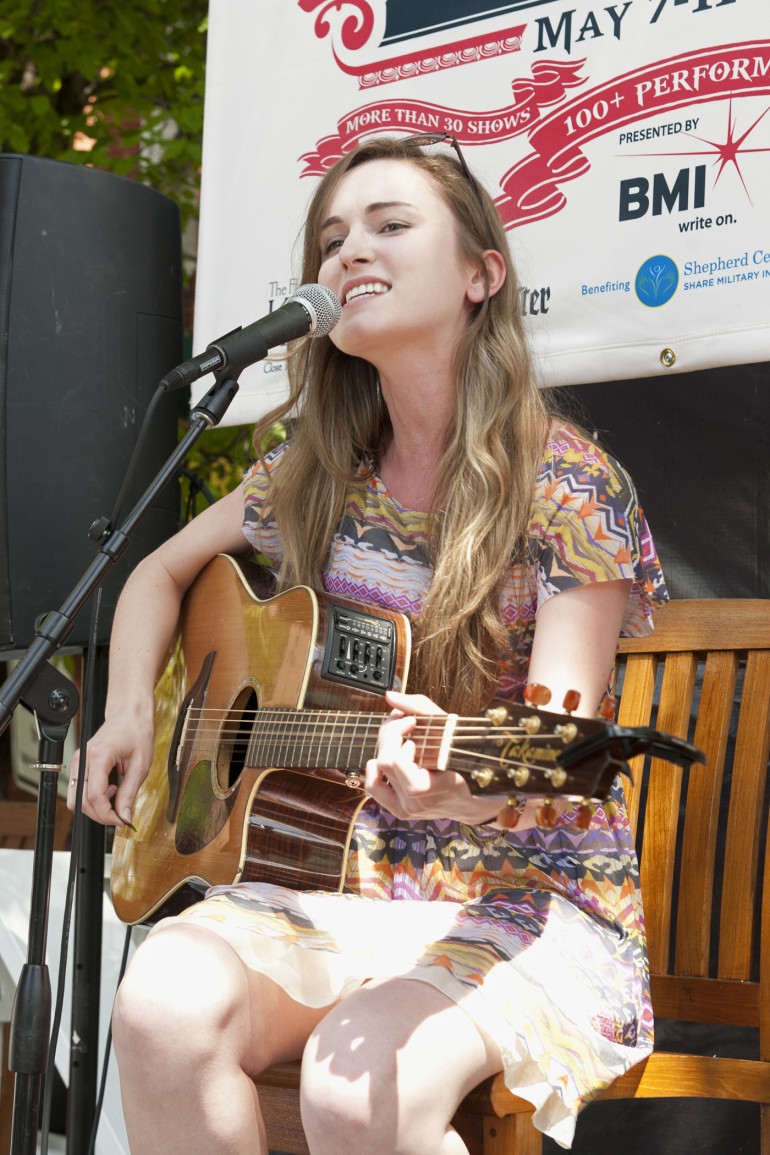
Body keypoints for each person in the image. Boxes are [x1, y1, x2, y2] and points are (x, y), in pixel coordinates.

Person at [69, 134, 668, 1154]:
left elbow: (552, 753)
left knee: (355, 1089)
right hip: (337, 883)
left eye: (390, 226)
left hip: (526, 898)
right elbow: (155, 573)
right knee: (160, 1005)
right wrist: (130, 711)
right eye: (333, 237)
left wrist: (460, 789)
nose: (350, 251)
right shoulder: (314, 471)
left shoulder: (568, 487)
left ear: (482, 276)